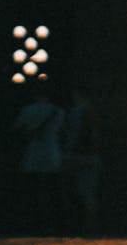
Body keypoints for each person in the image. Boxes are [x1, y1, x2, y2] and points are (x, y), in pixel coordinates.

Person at [12, 81, 66, 232]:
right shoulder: (59, 111)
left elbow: (17, 127)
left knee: (33, 189)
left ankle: (33, 222)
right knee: (52, 188)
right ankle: (53, 223)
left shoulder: (28, 110)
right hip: (52, 152)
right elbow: (63, 131)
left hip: (34, 152)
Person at [62, 84, 102, 235]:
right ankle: (88, 225)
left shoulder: (75, 112)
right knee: (88, 191)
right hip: (90, 155)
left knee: (73, 190)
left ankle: (77, 224)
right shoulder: (91, 112)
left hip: (77, 154)